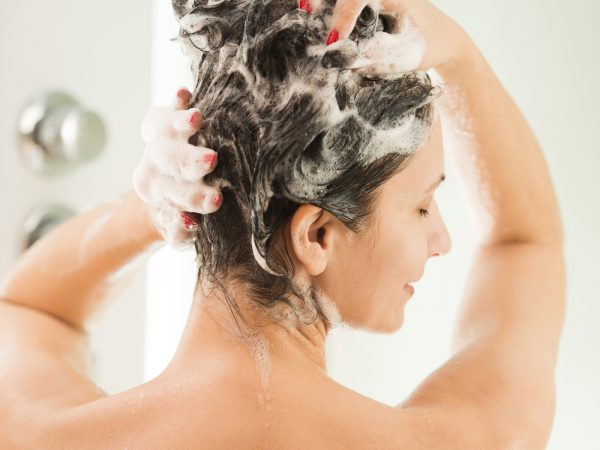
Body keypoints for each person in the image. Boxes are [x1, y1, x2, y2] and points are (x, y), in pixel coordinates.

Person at [0, 0, 565, 448]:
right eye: (422, 207)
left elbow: (29, 310)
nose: (441, 240)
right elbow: (526, 243)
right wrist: (456, 53)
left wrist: (155, 205)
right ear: (316, 235)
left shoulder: (36, 432)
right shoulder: (470, 440)